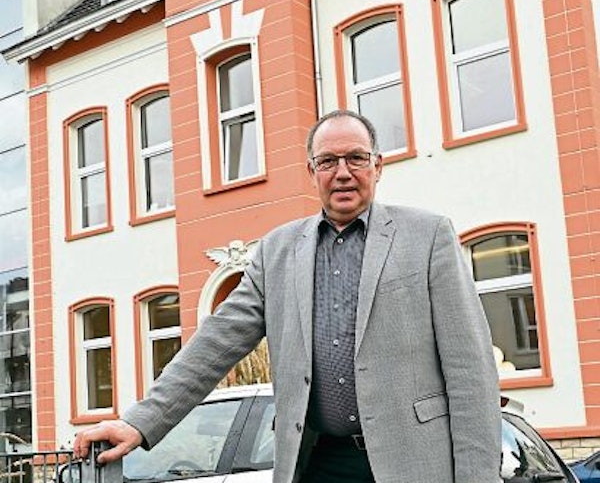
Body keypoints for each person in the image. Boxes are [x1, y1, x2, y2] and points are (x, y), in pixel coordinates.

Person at [74, 109, 502, 483]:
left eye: (356, 158)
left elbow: (470, 371)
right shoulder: (277, 251)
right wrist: (139, 423)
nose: (343, 172)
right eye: (328, 161)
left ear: (378, 166)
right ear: (312, 171)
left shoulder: (427, 237)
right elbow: (214, 344)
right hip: (318, 463)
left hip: (414, 464)